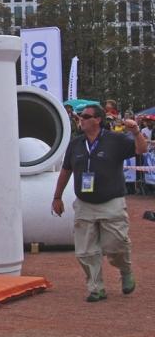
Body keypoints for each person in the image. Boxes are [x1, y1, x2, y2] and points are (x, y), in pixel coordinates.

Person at [51, 104, 147, 302]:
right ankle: (96, 288)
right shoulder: (76, 144)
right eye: (80, 116)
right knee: (85, 251)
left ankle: (126, 270)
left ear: (98, 120)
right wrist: (57, 197)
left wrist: (136, 131)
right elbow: (66, 171)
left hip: (111, 201)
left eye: (86, 116)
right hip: (84, 203)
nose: (81, 119)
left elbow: (141, 149)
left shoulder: (116, 140)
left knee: (116, 246)